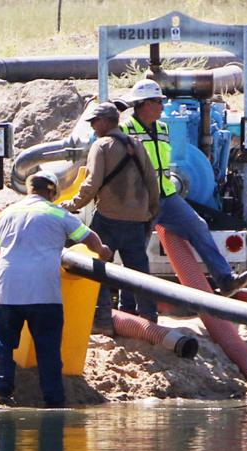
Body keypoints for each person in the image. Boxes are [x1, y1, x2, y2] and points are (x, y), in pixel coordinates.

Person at [0, 171, 112, 408]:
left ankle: (2, 390)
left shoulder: (6, 214)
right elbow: (89, 239)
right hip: (43, 293)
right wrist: (103, 252)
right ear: (51, 192)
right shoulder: (58, 214)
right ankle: (54, 398)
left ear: (29, 189)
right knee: (47, 347)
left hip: (7, 290)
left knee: (3, 342)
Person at [120, 79, 247, 297]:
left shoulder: (163, 128)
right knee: (136, 251)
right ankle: (130, 303)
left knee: (198, 226)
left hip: (168, 196)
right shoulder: (125, 131)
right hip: (141, 200)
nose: (162, 107)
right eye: (157, 101)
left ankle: (225, 279)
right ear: (143, 104)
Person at [61, 101, 160, 334]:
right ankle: (151, 322)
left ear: (106, 121)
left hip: (108, 218)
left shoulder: (101, 146)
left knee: (99, 269)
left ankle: (103, 321)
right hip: (137, 219)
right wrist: (150, 214)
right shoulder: (136, 144)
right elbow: (152, 182)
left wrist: (72, 204)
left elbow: (92, 183)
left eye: (95, 122)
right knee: (139, 273)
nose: (94, 127)